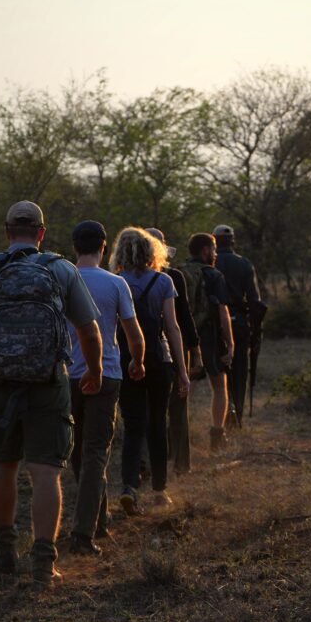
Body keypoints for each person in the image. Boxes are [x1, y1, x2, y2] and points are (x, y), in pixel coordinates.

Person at [0, 201, 103, 585]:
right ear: (41, 233)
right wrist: (95, 370)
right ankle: (42, 563)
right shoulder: (61, 269)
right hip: (48, 380)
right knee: (45, 473)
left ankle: (5, 555)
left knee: (2, 464)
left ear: (7, 232)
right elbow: (89, 330)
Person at [66, 220, 145, 556]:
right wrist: (138, 361)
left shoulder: (59, 280)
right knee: (96, 453)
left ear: (74, 247)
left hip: (66, 375)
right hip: (106, 375)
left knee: (76, 453)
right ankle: (83, 534)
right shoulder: (115, 283)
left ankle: (96, 523)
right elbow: (133, 332)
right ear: (103, 246)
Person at [110, 227, 190, 512]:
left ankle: (129, 487)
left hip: (125, 361)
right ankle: (160, 489)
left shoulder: (115, 281)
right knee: (158, 424)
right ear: (151, 250)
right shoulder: (164, 281)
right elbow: (172, 327)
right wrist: (182, 370)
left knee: (133, 427)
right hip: (159, 359)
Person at [146, 227, 202, 475]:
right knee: (178, 409)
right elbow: (183, 319)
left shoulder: (125, 276)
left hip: (143, 350)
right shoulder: (172, 276)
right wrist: (194, 351)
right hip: (173, 348)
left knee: (149, 409)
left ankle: (149, 462)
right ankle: (180, 463)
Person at [180, 232, 234, 452]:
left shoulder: (179, 272)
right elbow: (222, 310)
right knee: (219, 386)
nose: (215, 253)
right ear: (205, 250)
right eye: (213, 248)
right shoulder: (213, 275)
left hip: (184, 336)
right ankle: (217, 436)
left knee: (186, 385)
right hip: (209, 336)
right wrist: (230, 344)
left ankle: (180, 433)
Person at [213, 224, 264, 426]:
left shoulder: (210, 263)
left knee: (218, 374)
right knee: (240, 371)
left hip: (214, 325)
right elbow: (254, 300)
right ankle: (236, 417)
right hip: (239, 323)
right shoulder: (244, 264)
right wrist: (255, 327)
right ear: (232, 240)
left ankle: (222, 416)